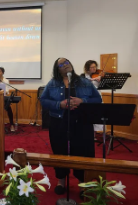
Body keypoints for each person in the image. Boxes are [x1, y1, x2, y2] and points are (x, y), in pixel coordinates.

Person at [40, 58, 102, 197]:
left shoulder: (85, 82)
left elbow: (97, 99)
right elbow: (43, 100)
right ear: (57, 69)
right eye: (61, 64)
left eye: (67, 62)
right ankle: (61, 181)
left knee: (82, 151)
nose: (65, 65)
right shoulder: (53, 83)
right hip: (59, 121)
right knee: (59, 150)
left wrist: (82, 101)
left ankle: (82, 184)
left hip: (82, 121)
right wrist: (59, 105)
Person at [81, 60, 103, 133]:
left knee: (97, 115)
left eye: (95, 67)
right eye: (92, 67)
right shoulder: (82, 76)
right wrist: (92, 79)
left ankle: (95, 133)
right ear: (87, 68)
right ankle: (89, 133)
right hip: (88, 98)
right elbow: (81, 85)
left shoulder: (99, 76)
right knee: (89, 116)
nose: (94, 69)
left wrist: (101, 81)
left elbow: (102, 86)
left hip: (97, 97)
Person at [0, 67, 15, 132]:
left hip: (3, 97)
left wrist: (4, 91)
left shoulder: (6, 81)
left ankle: (12, 125)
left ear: (3, 72)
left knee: (9, 109)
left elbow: (7, 90)